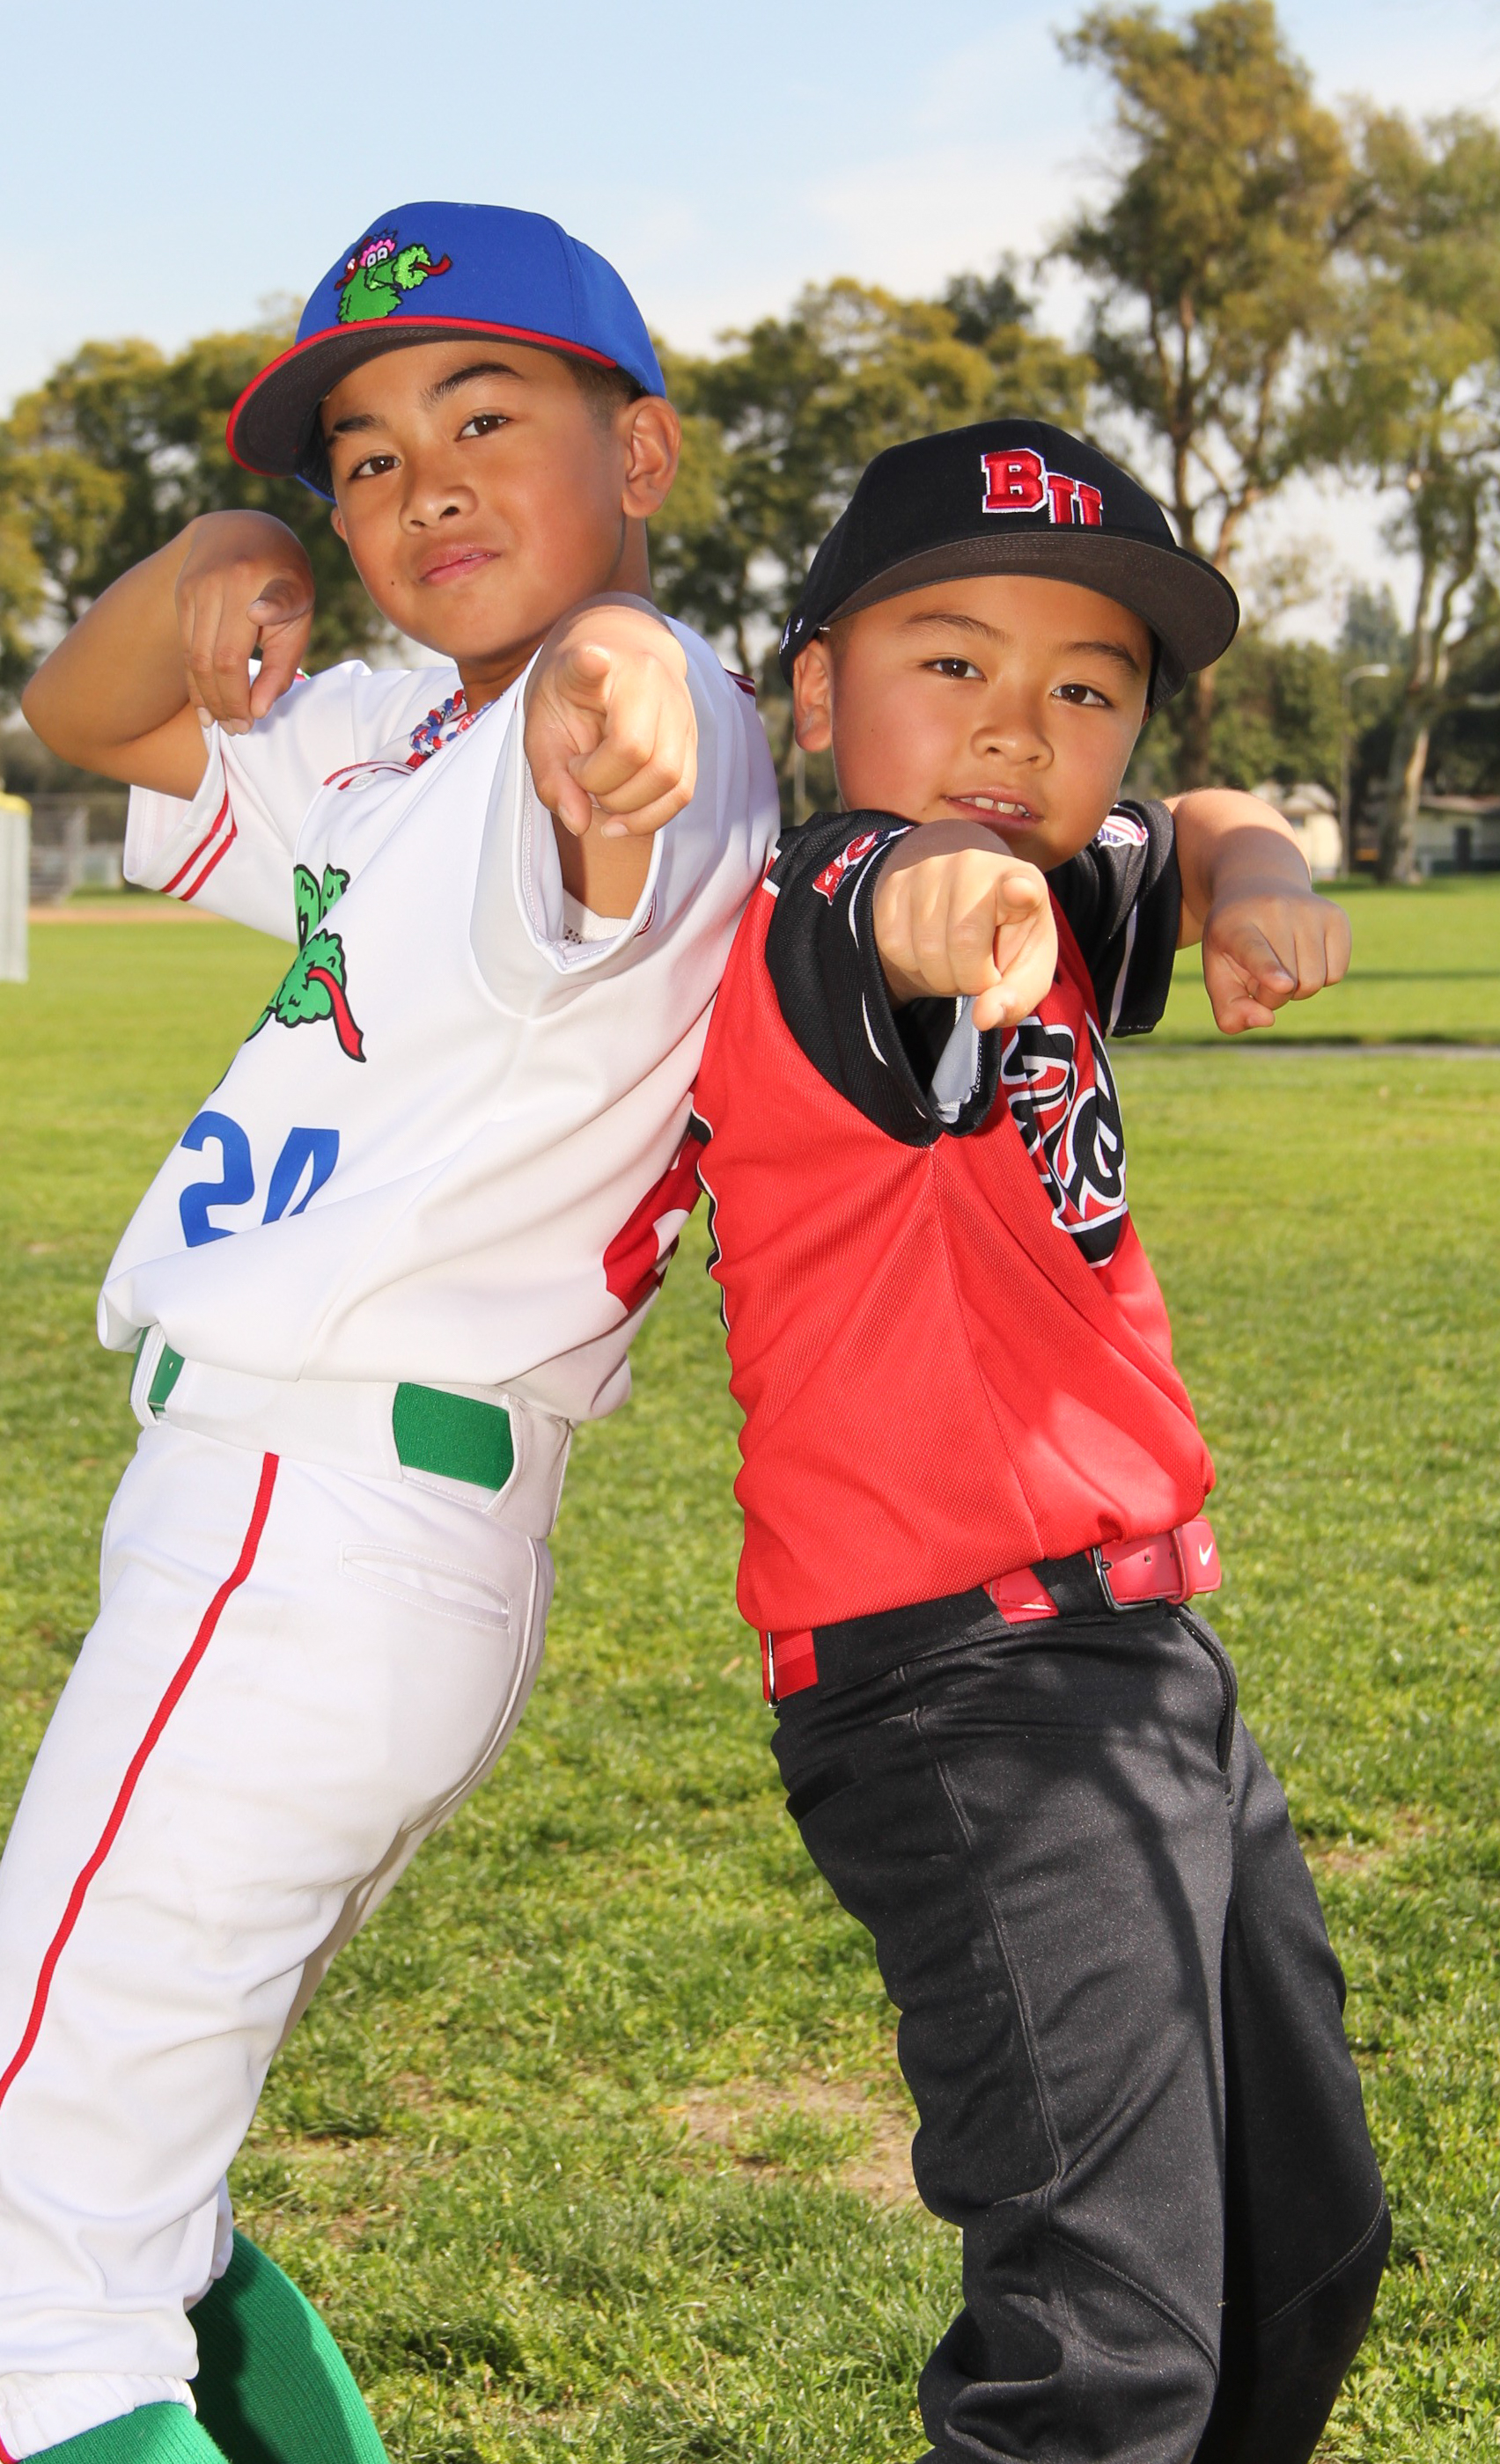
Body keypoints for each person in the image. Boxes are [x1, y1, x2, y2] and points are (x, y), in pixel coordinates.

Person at [0, 202, 777, 2464]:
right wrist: (220, 545)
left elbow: (626, 738)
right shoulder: (401, 734)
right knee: (149, 2215)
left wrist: (618, 677)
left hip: (307, 1513)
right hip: (351, 1534)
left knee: (29, 2309)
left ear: (643, 453)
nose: (424, 485)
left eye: (486, 419)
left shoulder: (625, 717)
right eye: (368, 457)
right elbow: (82, 711)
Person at [692, 420, 1388, 2464]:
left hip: (1145, 1661)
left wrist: (1252, 861)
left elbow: (1194, 814)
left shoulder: (1067, 893)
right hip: (966, 1683)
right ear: (816, 688)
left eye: (1086, 687)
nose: (1018, 722)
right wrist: (949, 895)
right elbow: (900, 896)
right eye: (952, 661)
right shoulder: (829, 898)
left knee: (1301, 2249)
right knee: (1101, 2353)